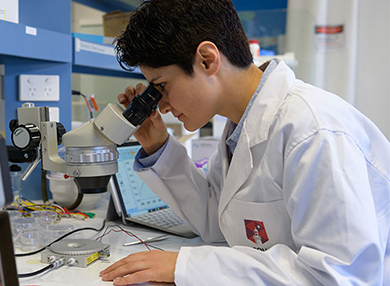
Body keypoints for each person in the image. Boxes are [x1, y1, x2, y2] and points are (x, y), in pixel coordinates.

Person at [100, 0, 390, 285]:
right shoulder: (240, 127)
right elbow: (219, 224)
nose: (161, 105)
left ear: (207, 60)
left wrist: (186, 266)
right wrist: (158, 145)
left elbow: (338, 277)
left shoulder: (313, 130)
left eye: (161, 86)